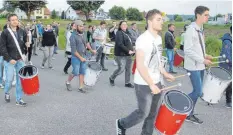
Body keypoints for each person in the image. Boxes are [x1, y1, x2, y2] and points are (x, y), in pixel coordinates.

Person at [116, 9, 175, 135]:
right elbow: (141, 65)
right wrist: (151, 84)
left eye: (162, 20)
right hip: (143, 83)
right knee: (143, 113)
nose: (162, 22)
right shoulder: (142, 40)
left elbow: (158, 61)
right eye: (158, 19)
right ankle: (121, 124)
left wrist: (164, 73)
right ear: (149, 21)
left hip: (157, 81)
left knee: (153, 113)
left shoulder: (159, 39)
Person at [184, 6, 213, 124]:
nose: (208, 17)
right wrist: (202, 60)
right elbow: (188, 50)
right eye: (206, 15)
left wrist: (205, 55)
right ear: (198, 15)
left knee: (197, 91)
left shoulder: (200, 29)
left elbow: (198, 48)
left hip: (199, 65)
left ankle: (189, 113)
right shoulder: (191, 29)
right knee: (198, 92)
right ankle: (182, 106)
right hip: (193, 66)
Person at [0, 14, 30, 106]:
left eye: (16, 19)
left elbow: (25, 42)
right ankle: (7, 92)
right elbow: (2, 47)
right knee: (9, 80)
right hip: (9, 60)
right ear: (9, 21)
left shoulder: (22, 31)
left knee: (20, 80)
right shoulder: (5, 33)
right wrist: (9, 59)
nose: (15, 21)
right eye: (12, 20)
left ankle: (19, 99)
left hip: (20, 59)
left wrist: (27, 44)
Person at [65, 20, 96, 93]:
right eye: (80, 26)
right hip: (76, 57)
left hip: (83, 56)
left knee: (82, 71)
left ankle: (81, 87)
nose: (82, 27)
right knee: (75, 72)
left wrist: (91, 50)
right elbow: (74, 51)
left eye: (83, 26)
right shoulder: (73, 36)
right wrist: (80, 58)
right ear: (76, 27)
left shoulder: (84, 33)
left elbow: (86, 43)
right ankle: (68, 82)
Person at [109, 21, 134, 88]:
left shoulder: (128, 33)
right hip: (120, 54)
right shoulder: (119, 33)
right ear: (120, 26)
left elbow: (131, 42)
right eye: (123, 24)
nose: (124, 25)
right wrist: (128, 51)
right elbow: (120, 44)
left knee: (128, 69)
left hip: (129, 54)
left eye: (125, 24)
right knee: (121, 68)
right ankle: (112, 77)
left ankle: (127, 82)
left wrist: (134, 48)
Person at [219, 26, 232, 108]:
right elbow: (227, 55)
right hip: (227, 65)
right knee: (229, 83)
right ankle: (228, 101)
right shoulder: (227, 41)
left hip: (229, 64)